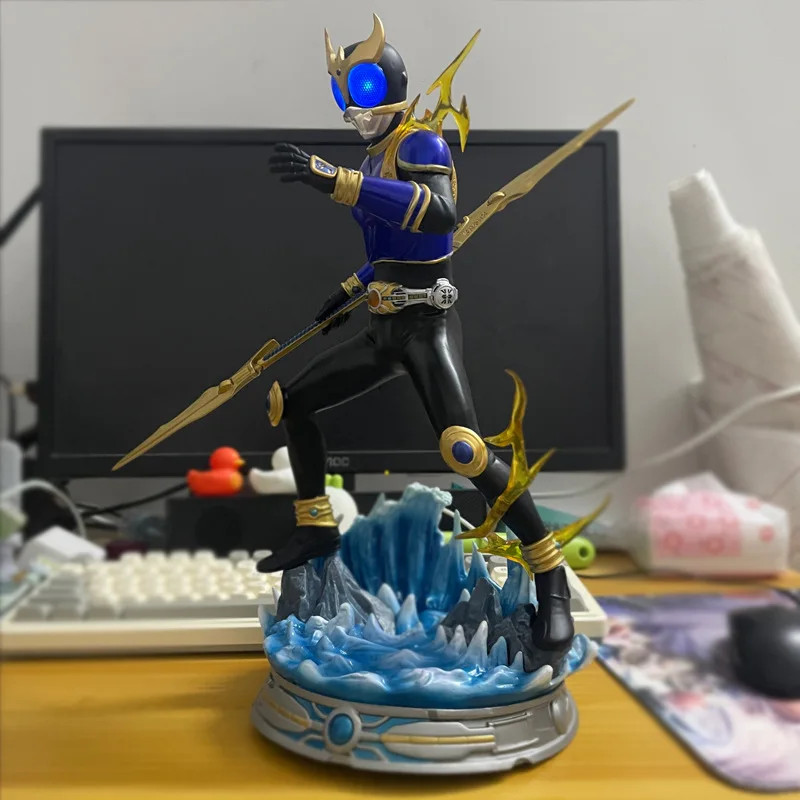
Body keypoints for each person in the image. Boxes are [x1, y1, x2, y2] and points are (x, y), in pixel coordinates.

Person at [260, 15, 573, 654]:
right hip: (383, 325)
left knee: (464, 449)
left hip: (426, 324)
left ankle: (551, 571)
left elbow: (439, 215)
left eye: (363, 89)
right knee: (289, 402)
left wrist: (335, 180)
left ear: (392, 84)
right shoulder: (374, 156)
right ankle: (316, 526)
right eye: (345, 94)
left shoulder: (420, 144)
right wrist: (349, 291)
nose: (354, 109)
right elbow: (392, 249)